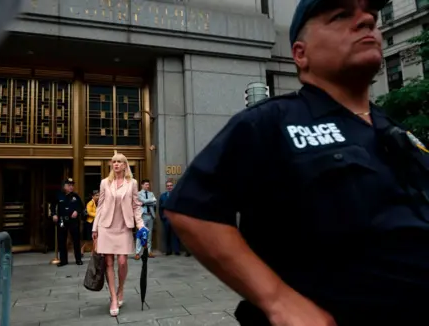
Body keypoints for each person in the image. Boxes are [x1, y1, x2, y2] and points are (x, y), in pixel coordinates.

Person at [165, 0, 429, 325]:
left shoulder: (397, 132)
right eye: (341, 15)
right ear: (300, 54)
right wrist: (277, 299)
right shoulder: (271, 122)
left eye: (372, 17)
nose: (365, 22)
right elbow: (191, 209)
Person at [92, 153, 146, 317]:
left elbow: (136, 206)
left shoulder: (133, 183)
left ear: (125, 165)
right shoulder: (105, 183)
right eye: (113, 162)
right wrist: (95, 228)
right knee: (108, 262)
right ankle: (113, 298)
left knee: (122, 261)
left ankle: (121, 289)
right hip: (106, 227)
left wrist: (141, 225)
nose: (115, 164)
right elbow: (100, 206)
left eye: (119, 162)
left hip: (124, 226)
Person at [51, 178, 84, 267]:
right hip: (62, 220)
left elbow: (81, 207)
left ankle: (78, 259)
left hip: (73, 221)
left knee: (76, 240)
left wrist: (77, 211)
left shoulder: (75, 196)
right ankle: (63, 260)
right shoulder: (59, 195)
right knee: (62, 241)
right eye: (69, 185)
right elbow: (53, 206)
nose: (71, 187)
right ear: (64, 186)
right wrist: (54, 214)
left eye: (72, 185)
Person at [135, 179, 156, 259]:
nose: (148, 186)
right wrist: (150, 201)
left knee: (149, 234)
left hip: (150, 215)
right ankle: (137, 253)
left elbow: (155, 203)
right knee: (141, 234)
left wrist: (146, 202)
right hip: (142, 216)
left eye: (148, 185)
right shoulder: (138, 194)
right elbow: (143, 201)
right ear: (142, 185)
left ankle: (149, 251)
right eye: (146, 185)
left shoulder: (151, 193)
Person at [159, 180, 181, 256]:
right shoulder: (163, 196)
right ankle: (168, 250)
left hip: (175, 219)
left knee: (176, 235)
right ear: (166, 187)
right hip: (166, 219)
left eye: (170, 185)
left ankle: (177, 250)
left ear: (173, 186)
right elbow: (160, 209)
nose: (169, 187)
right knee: (167, 235)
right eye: (168, 186)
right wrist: (162, 218)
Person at [81, 190, 99, 256]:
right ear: (93, 196)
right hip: (90, 222)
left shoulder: (98, 203)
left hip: (95, 222)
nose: (98, 197)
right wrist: (97, 214)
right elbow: (89, 212)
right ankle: (82, 250)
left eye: (99, 195)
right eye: (96, 195)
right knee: (89, 239)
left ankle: (93, 251)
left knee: (95, 238)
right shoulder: (90, 203)